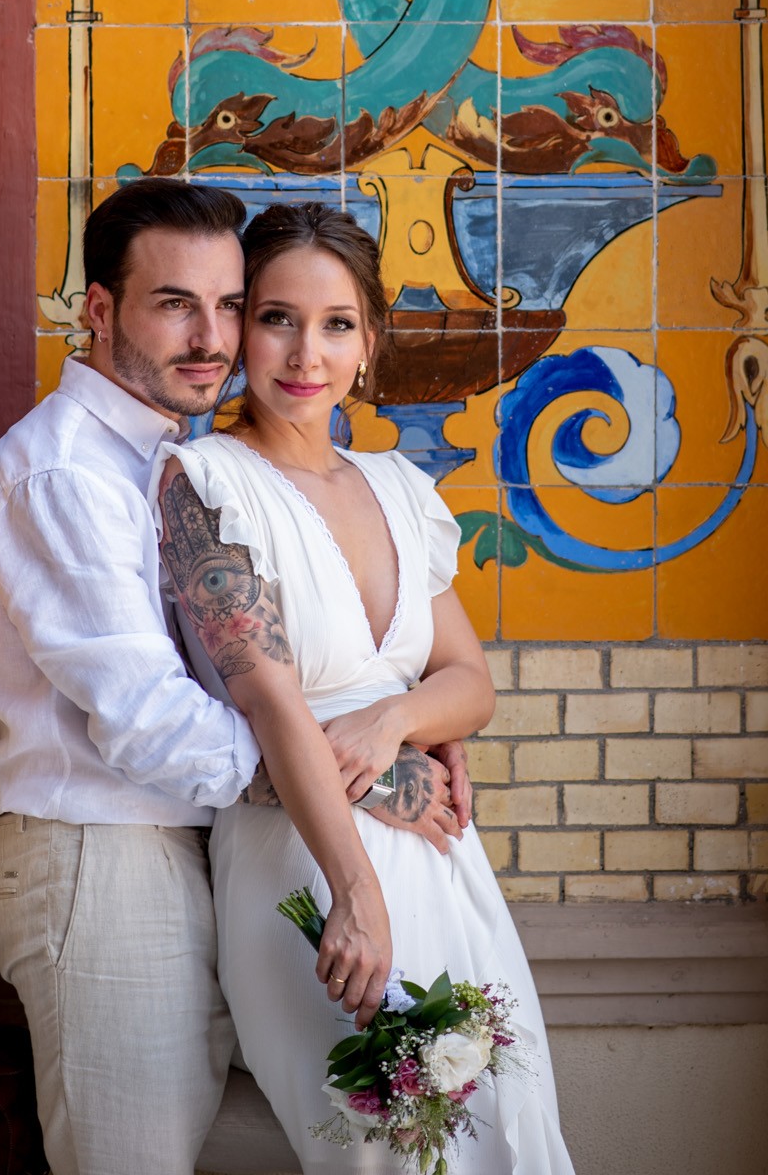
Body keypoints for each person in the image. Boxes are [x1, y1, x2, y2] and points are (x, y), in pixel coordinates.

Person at [0, 177, 469, 1175]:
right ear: (100, 310)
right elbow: (151, 723)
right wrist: (371, 774)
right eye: (174, 302)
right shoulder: (66, 473)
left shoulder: (163, 456)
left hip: (189, 851)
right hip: (97, 856)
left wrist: (403, 715)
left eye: (230, 303)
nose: (212, 335)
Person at [156, 201, 575, 1173]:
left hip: (445, 868)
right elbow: (268, 704)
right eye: (277, 316)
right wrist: (355, 891)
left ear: (369, 343)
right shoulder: (204, 480)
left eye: (337, 323)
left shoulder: (400, 486)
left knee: (505, 1132)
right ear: (238, 327)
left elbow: (469, 683)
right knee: (387, 1151)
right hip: (308, 869)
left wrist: (394, 719)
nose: (307, 350)